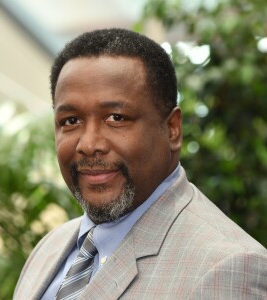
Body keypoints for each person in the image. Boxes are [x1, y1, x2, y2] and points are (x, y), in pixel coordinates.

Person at [14, 28, 267, 300]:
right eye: (71, 121)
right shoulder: (49, 249)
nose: (88, 144)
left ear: (172, 129)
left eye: (116, 117)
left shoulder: (228, 266)